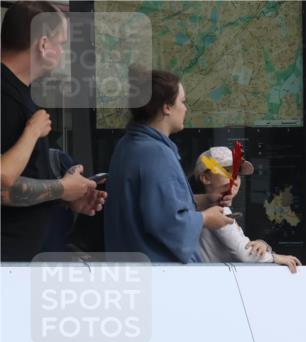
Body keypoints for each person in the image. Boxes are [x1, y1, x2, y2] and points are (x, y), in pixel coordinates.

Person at [1, 1, 104, 261]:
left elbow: (19, 178)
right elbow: (2, 182)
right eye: (61, 43)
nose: (62, 51)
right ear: (43, 44)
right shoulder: (5, 95)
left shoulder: (21, 93)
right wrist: (61, 188)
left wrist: (68, 195)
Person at [104, 68, 232, 262]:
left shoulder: (127, 146)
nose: (186, 108)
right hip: (161, 275)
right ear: (167, 107)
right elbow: (167, 223)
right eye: (182, 101)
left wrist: (207, 199)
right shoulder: (155, 154)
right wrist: (205, 218)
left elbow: (152, 204)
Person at [191, 146, 301, 272]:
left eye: (237, 174)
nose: (235, 180)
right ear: (206, 178)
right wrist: (275, 257)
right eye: (227, 171)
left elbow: (245, 248)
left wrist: (262, 245)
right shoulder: (218, 210)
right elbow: (244, 255)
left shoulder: (202, 207)